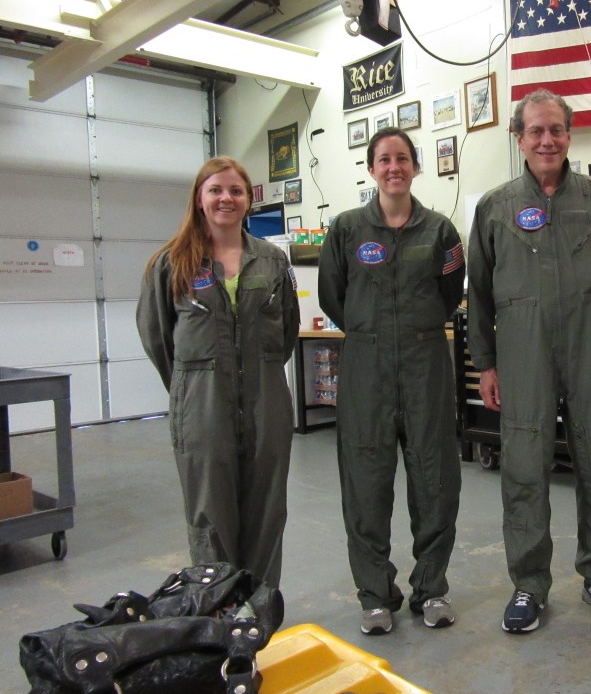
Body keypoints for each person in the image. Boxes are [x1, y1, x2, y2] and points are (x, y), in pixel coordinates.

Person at [467, 89, 591, 633]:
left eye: (556, 130)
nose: (547, 140)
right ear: (518, 138)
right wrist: (487, 363)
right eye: (536, 131)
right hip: (523, 351)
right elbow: (477, 294)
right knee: (524, 464)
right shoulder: (493, 207)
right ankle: (529, 584)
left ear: (569, 135)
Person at [318, 127, 465, 636]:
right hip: (366, 370)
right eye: (384, 159)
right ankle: (375, 596)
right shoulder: (346, 230)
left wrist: (414, 330)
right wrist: (372, 333)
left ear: (415, 167)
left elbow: (450, 293)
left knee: (435, 481)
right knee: (365, 485)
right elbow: (332, 297)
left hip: (427, 365)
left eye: (403, 158)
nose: (394, 167)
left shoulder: (442, 232)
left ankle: (432, 589)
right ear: (371, 168)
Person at [137, 156, 300, 588]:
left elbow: (284, 333)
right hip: (202, 404)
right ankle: (219, 620)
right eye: (216, 190)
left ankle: (258, 619)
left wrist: (255, 372)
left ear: (248, 200)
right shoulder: (170, 263)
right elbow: (158, 339)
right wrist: (196, 384)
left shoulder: (272, 262)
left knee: (267, 512)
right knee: (211, 516)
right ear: (199, 198)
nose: (226, 198)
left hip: (266, 401)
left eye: (236, 190)